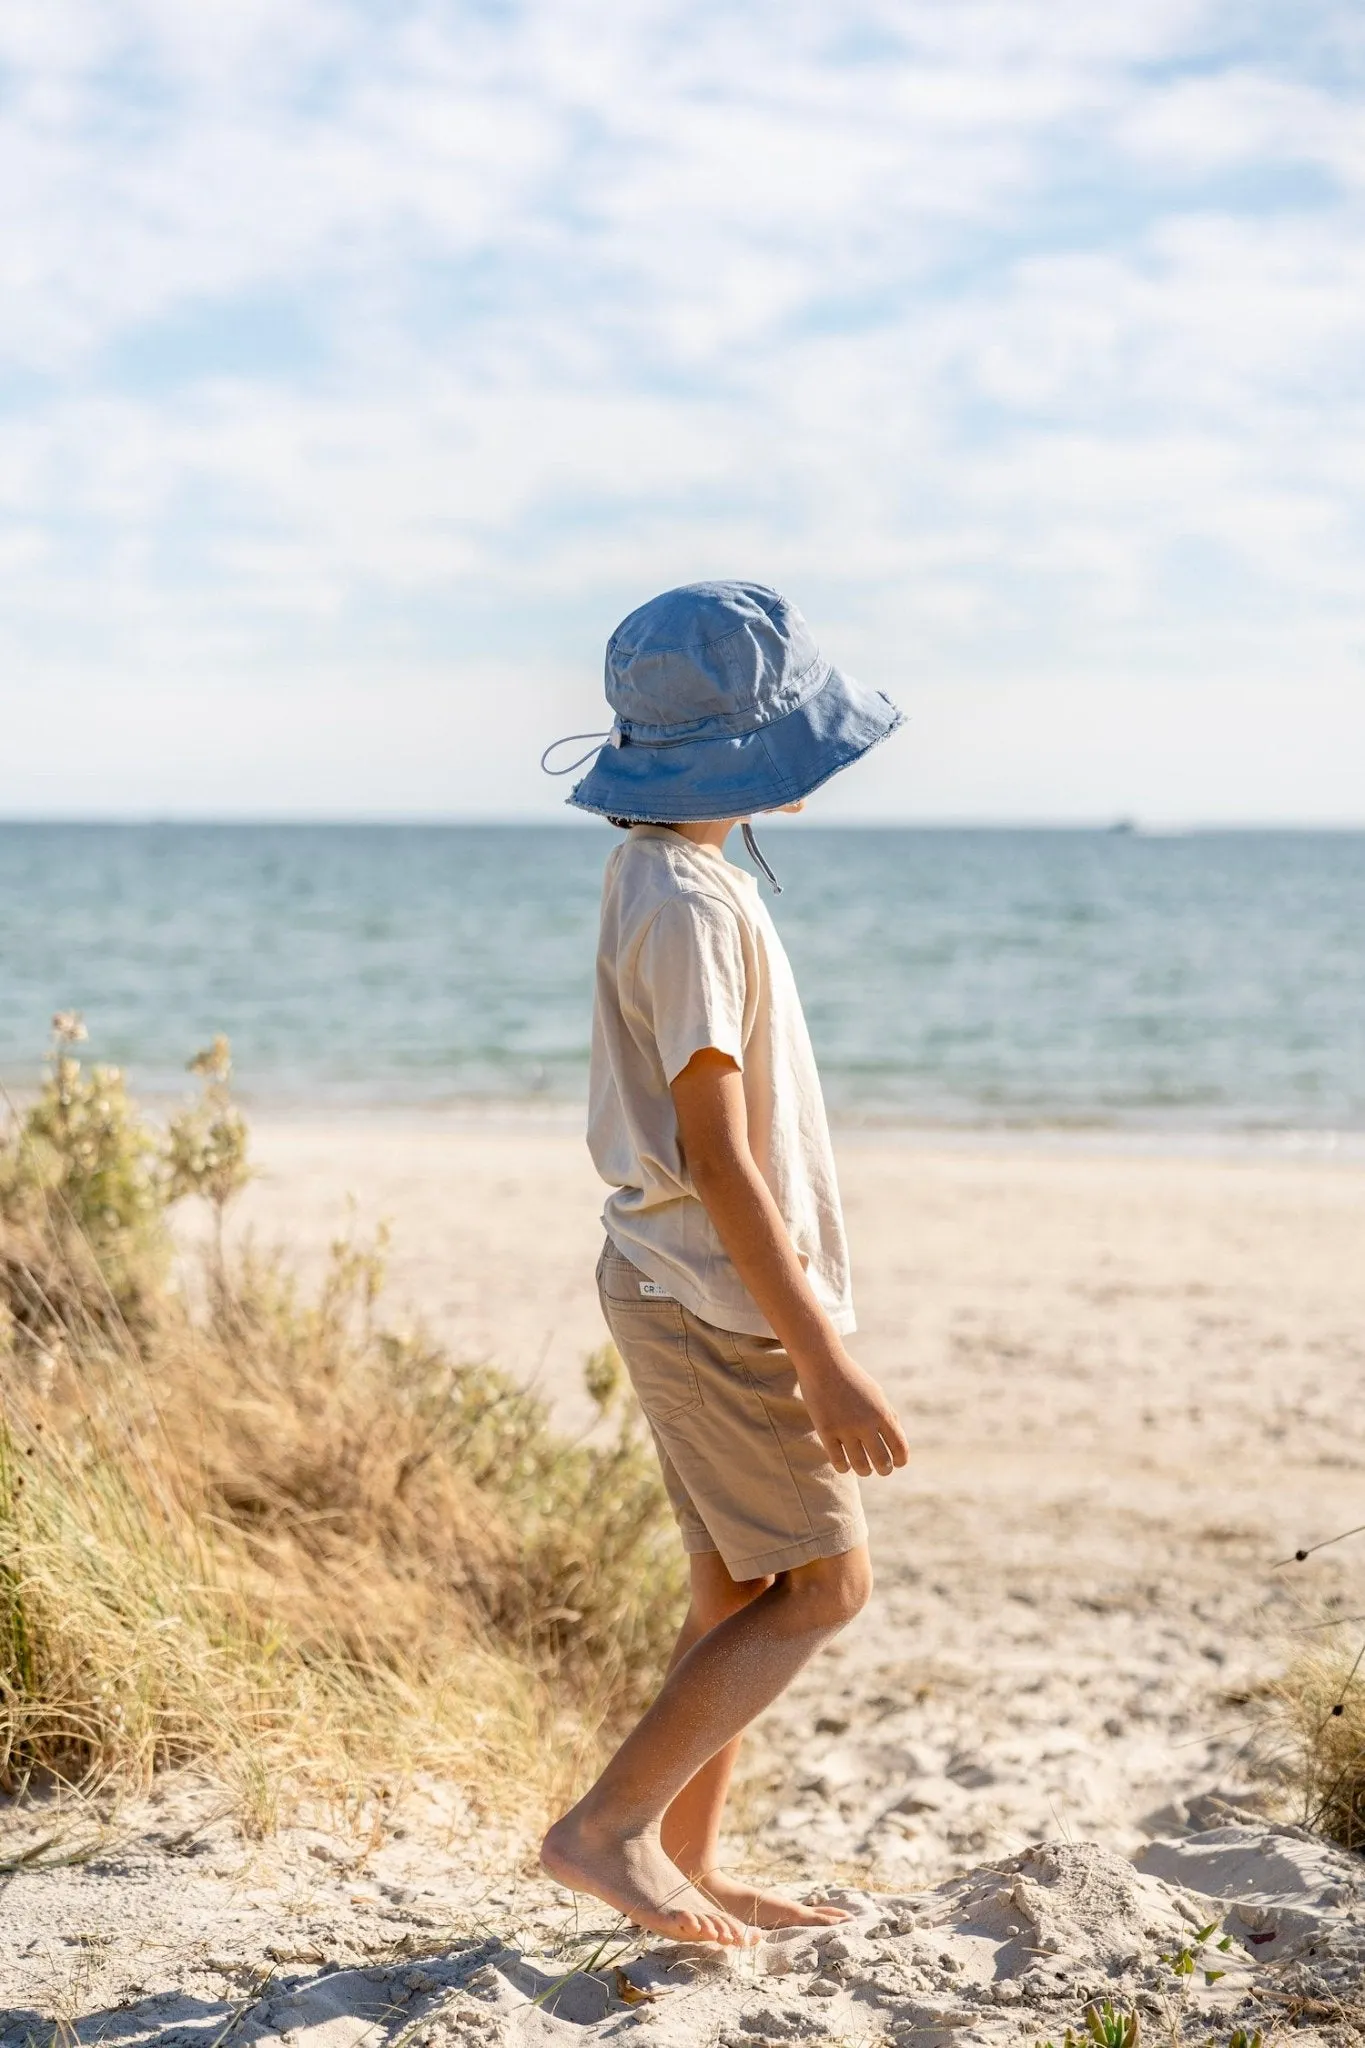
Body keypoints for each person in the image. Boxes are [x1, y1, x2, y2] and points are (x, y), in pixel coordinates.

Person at [538, 581, 909, 1947]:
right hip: (715, 1294)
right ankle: (606, 1831)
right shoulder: (692, 904)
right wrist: (825, 1360)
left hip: (671, 1278)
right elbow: (720, 1153)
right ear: (745, 760)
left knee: (735, 1593)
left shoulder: (667, 873)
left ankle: (678, 1866)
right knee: (827, 1586)